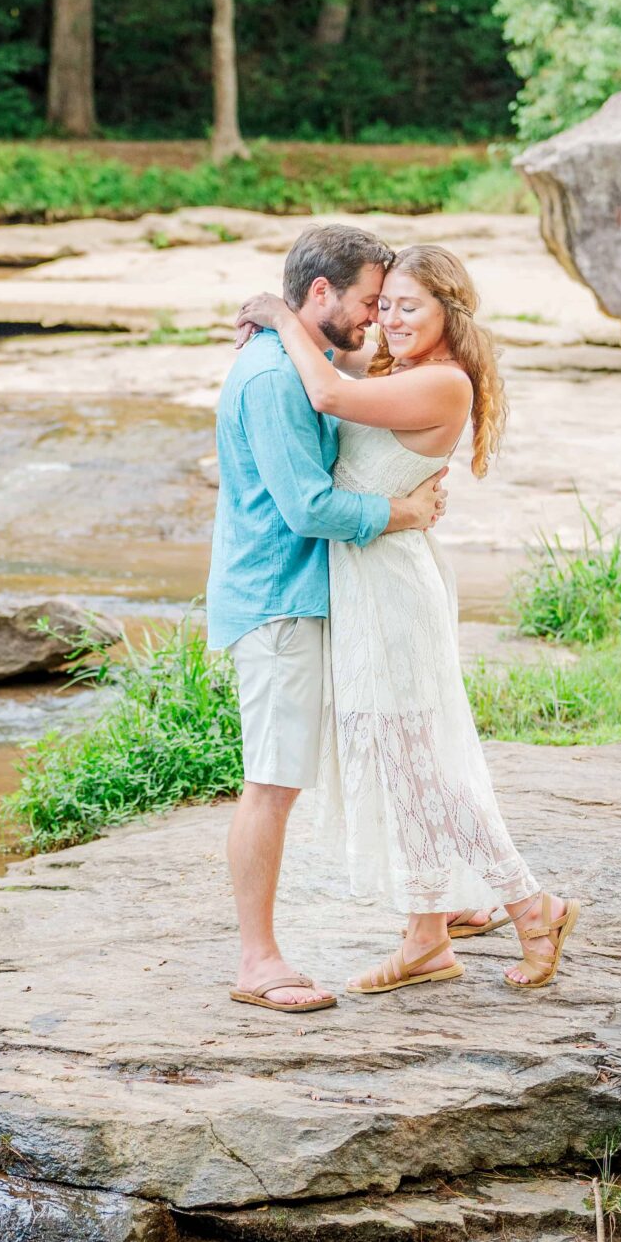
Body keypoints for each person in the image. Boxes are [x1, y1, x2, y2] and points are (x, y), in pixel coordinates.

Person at [238, 243, 580, 993]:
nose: (388, 319)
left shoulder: (440, 384)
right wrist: (284, 334)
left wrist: (273, 314)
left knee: (424, 765)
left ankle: (532, 905)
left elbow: (325, 394)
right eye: (382, 303)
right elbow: (324, 381)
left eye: (407, 306)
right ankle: (426, 937)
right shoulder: (396, 374)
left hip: (391, 591)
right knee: (401, 768)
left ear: (446, 314)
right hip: (368, 582)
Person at [206, 223, 446, 1014]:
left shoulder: (295, 359)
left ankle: (443, 910)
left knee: (360, 753)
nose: (375, 319)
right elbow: (307, 507)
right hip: (277, 601)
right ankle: (256, 961)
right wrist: (402, 513)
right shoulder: (274, 380)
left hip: (303, 596)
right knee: (271, 783)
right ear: (320, 294)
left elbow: (344, 379)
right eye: (369, 302)